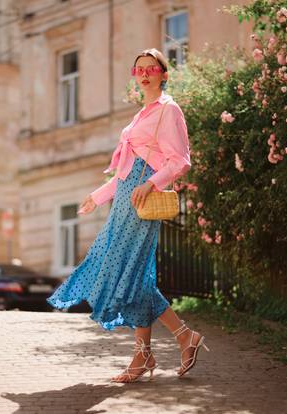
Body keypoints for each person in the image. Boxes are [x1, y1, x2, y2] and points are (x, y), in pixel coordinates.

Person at [47, 48, 209, 383]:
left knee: (125, 272)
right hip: (125, 199)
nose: (145, 74)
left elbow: (179, 161)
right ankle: (151, 352)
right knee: (137, 276)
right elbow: (123, 172)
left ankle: (175, 340)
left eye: (152, 68)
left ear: (164, 74)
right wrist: (98, 195)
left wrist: (150, 184)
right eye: (139, 69)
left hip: (141, 200)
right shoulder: (142, 114)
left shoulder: (169, 110)